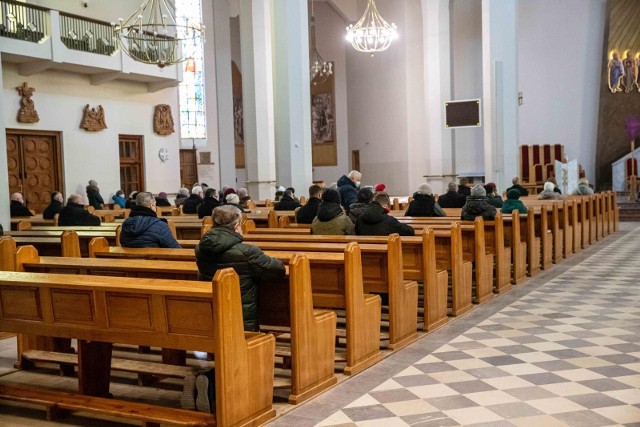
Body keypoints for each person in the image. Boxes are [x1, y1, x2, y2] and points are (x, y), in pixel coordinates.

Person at [195, 205, 285, 331]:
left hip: (213, 316)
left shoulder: (200, 249)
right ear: (237, 226)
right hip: (241, 321)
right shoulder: (247, 252)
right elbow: (278, 269)